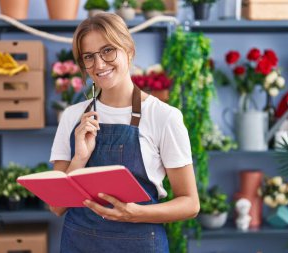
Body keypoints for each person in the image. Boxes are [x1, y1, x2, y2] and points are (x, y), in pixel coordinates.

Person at [49, 12, 200, 253]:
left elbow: (190, 204)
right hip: (80, 243)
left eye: (108, 50)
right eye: (89, 57)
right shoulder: (73, 117)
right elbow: (56, 207)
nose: (99, 64)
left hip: (139, 244)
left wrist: (134, 213)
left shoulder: (164, 117)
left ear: (128, 50)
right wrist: (80, 158)